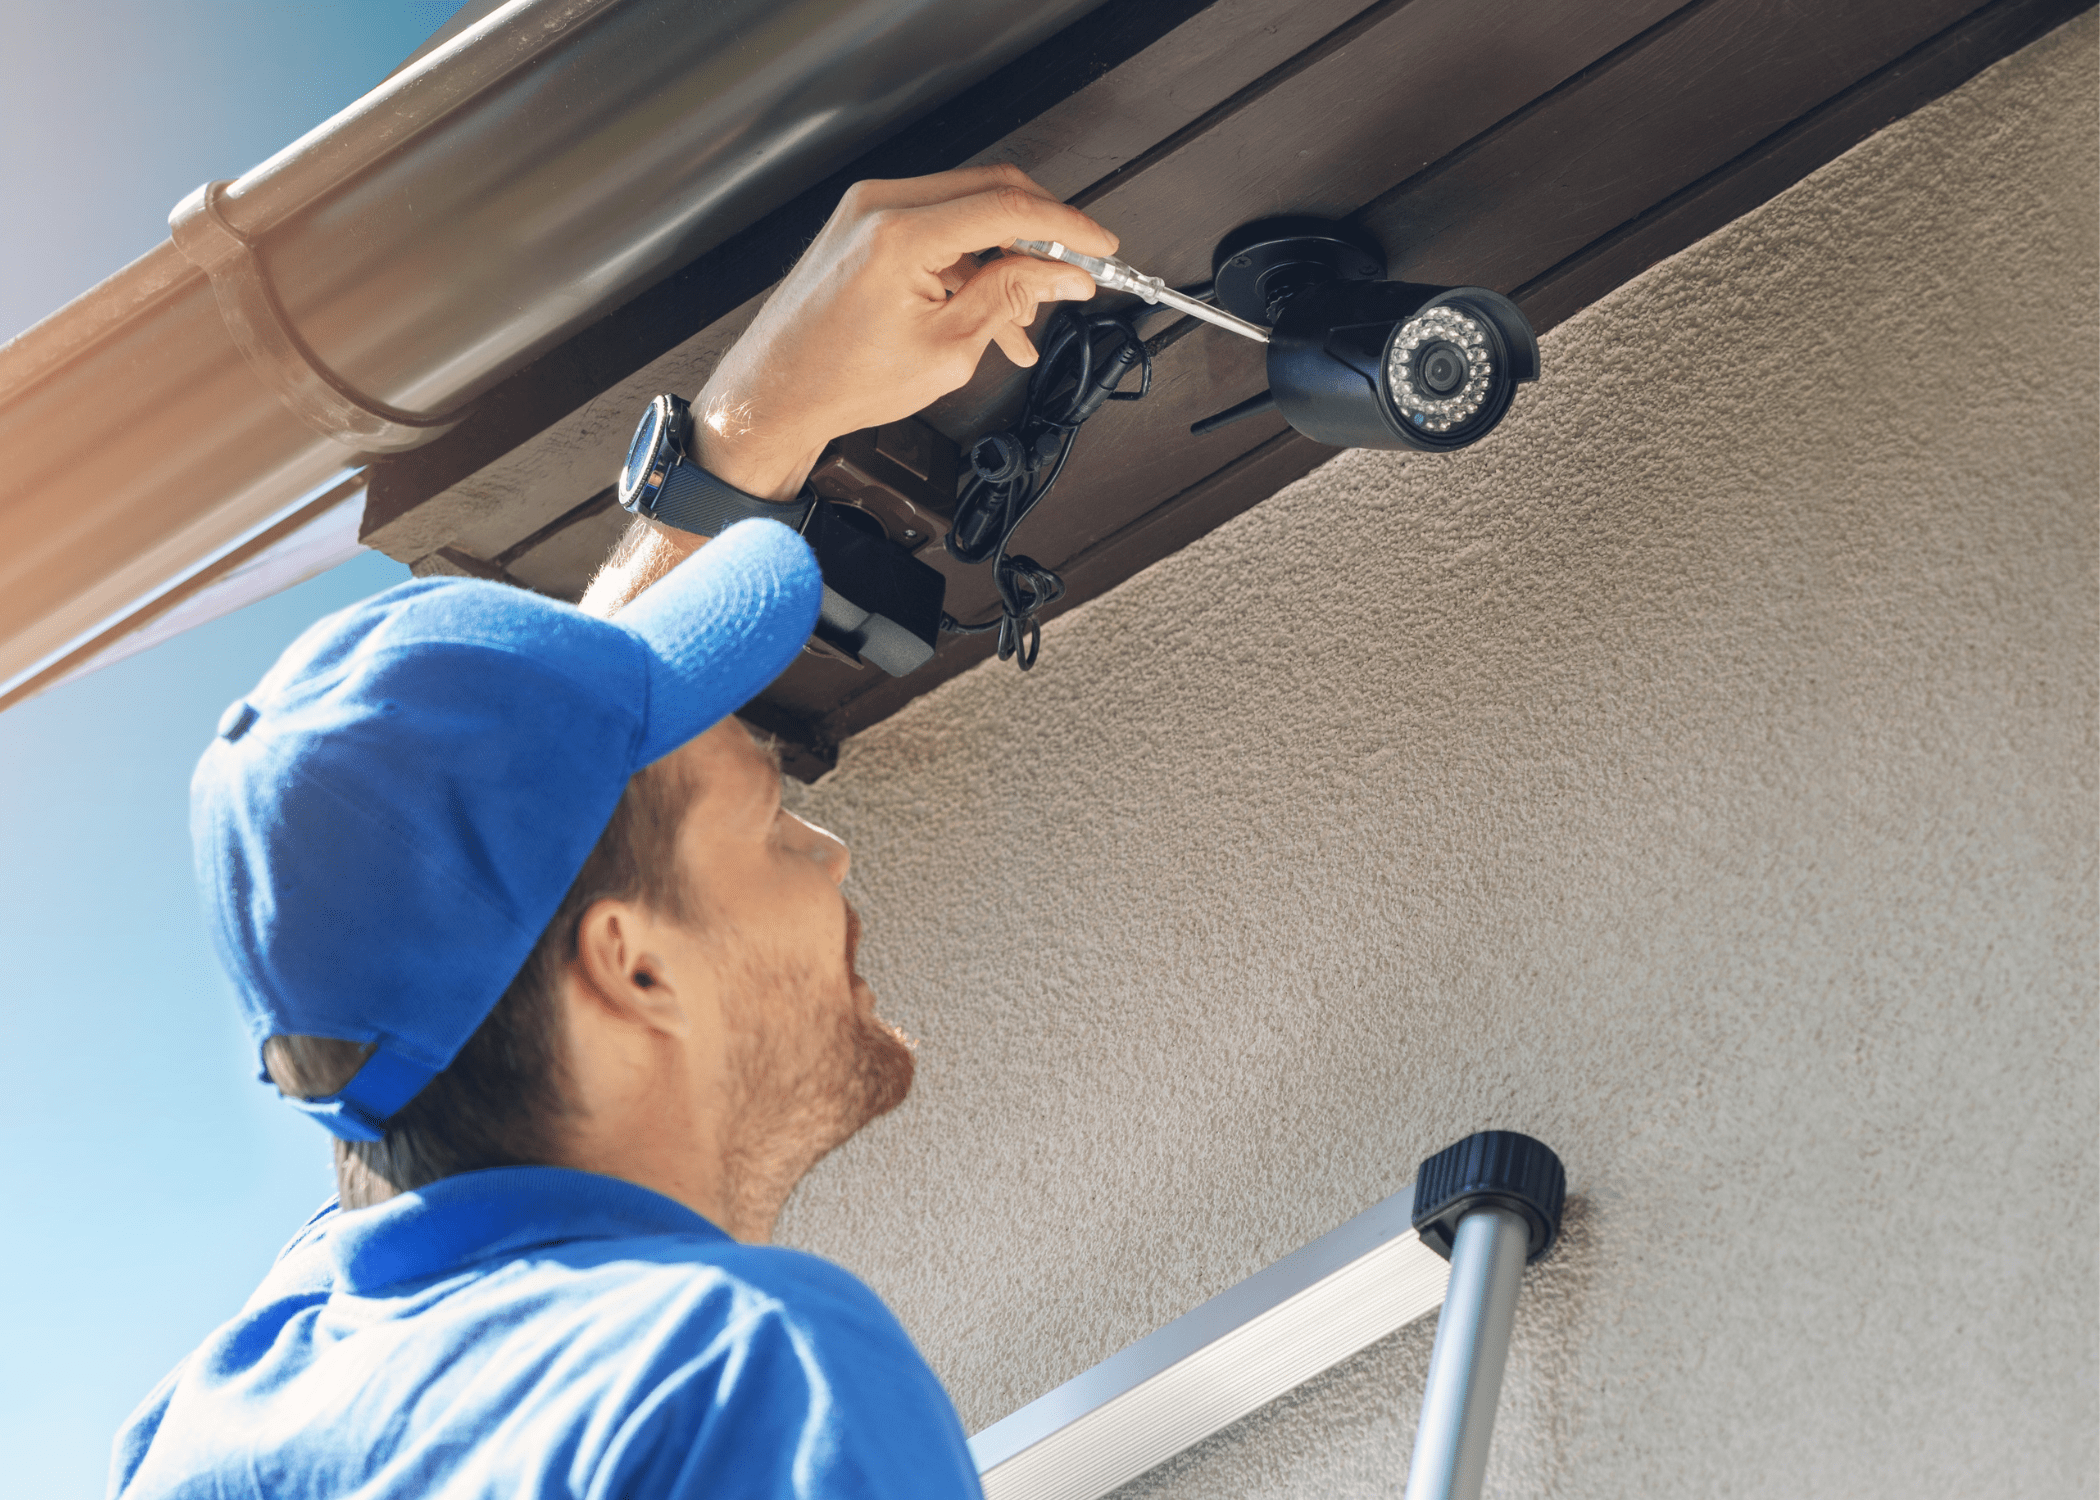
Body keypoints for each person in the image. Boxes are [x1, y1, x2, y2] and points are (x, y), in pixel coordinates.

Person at [110, 165, 1116, 1499]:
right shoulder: (734, 1379)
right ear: (630, 962)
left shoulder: (218, 1431)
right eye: (767, 826)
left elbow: (501, 843)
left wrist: (756, 423)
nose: (832, 854)